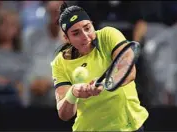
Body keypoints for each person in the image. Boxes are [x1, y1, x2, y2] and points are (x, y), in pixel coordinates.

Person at [51, 2, 149, 131]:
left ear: (92, 24)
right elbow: (64, 114)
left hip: (128, 126)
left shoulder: (108, 35)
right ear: (66, 38)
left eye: (87, 28)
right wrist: (73, 92)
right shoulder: (59, 62)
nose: (85, 36)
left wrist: (105, 83)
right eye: (76, 33)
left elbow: (129, 70)